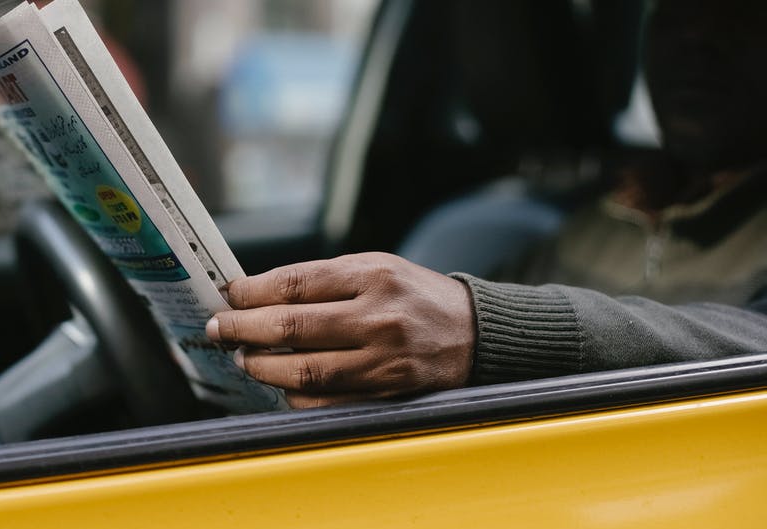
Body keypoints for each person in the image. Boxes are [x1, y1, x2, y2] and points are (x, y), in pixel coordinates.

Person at [205, 0, 767, 408]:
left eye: (737, 16)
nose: (699, 41)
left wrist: (483, 329)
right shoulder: (590, 223)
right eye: (674, 15)